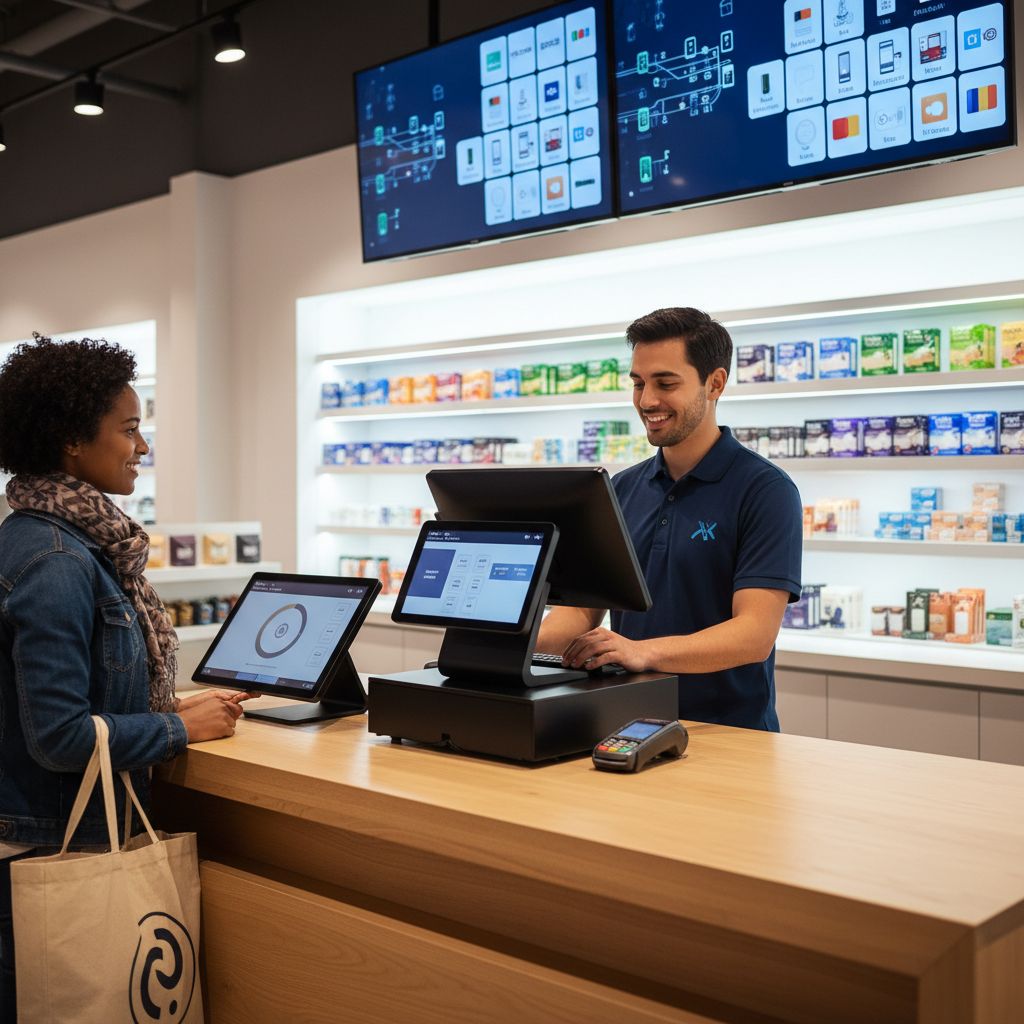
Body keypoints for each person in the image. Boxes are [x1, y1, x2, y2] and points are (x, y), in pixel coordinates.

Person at [0, 334, 253, 1019]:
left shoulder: (58, 539)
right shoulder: (55, 559)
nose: (142, 447)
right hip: (45, 845)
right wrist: (177, 727)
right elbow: (57, 737)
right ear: (70, 442)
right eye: (130, 428)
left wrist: (164, 703)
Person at [537, 307, 803, 730]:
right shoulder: (619, 491)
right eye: (639, 384)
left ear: (714, 384)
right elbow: (582, 614)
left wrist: (644, 651)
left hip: (728, 735)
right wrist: (509, 640)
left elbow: (755, 634)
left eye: (665, 383)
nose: (646, 401)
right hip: (623, 724)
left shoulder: (765, 491)